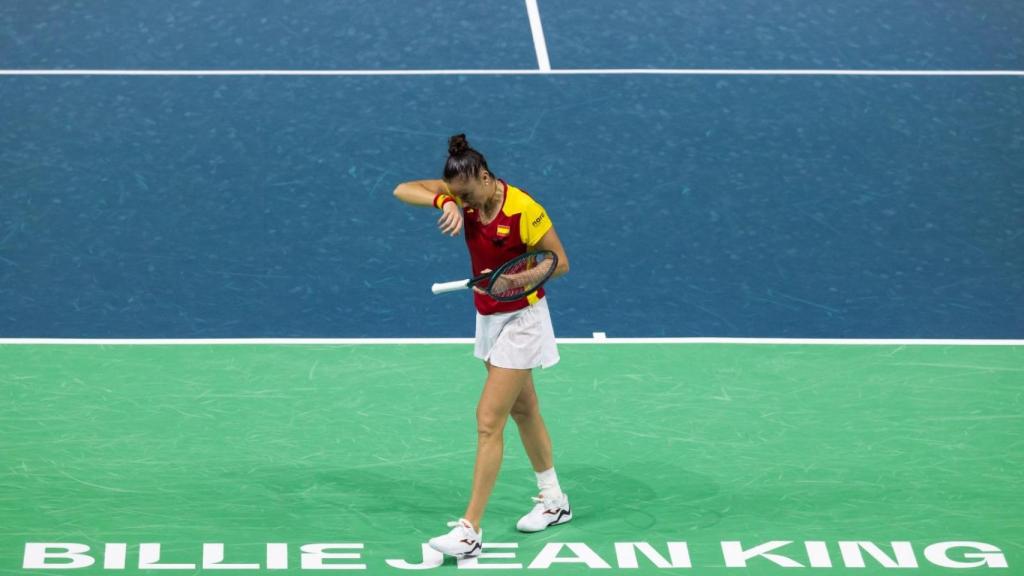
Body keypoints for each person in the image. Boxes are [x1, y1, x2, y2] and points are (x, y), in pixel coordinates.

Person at [392, 134, 572, 558]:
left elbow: (558, 262)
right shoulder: (461, 195)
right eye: (459, 197)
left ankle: (470, 530)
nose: (466, 203)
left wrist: (516, 279)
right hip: (489, 318)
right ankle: (554, 501)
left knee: (489, 419)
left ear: (487, 178)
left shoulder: (524, 209)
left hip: (524, 319)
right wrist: (446, 203)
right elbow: (403, 189)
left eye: (468, 195)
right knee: (524, 410)